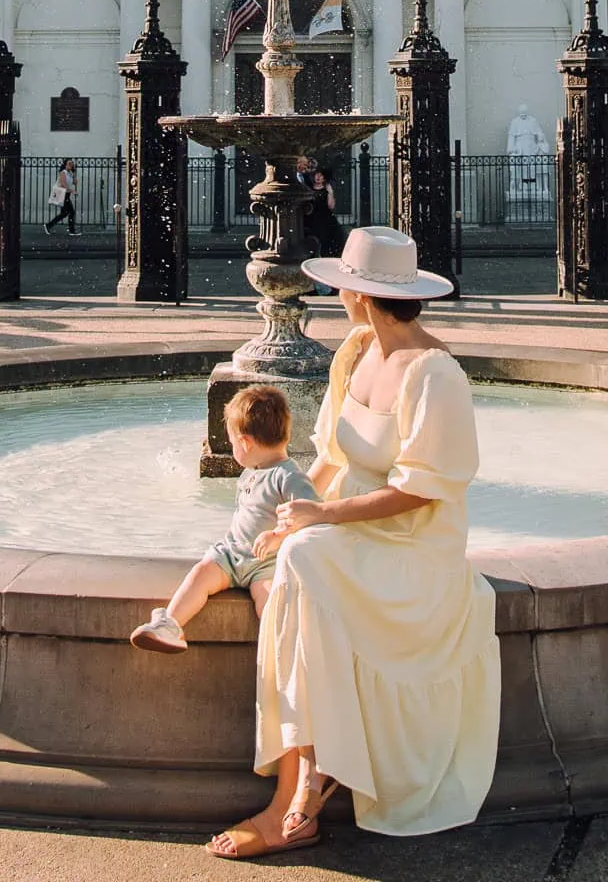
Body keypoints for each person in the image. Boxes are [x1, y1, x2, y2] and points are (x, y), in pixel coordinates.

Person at [208, 227, 500, 859]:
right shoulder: (357, 350)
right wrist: (286, 514)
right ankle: (313, 770)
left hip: (413, 546)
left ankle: (297, 793)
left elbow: (423, 492)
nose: (336, 296)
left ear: (362, 296)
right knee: (289, 556)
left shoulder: (436, 374)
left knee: (303, 561)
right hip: (348, 530)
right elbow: (332, 458)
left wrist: (323, 518)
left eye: (342, 287)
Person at [130, 386, 318, 653]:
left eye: (231, 443)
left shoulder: (288, 475)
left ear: (245, 442)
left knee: (268, 601)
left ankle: (281, 655)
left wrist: (278, 536)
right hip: (231, 555)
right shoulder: (253, 471)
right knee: (201, 573)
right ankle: (170, 625)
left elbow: (313, 514)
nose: (232, 450)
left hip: (267, 564)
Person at [45, 159, 78, 234]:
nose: (71, 165)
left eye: (72, 164)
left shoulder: (70, 173)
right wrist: (72, 191)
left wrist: (74, 173)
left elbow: (75, 183)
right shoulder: (63, 172)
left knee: (64, 213)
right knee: (71, 212)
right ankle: (71, 231)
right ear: (65, 165)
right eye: (69, 163)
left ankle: (48, 225)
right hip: (63, 194)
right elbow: (63, 184)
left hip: (66, 195)